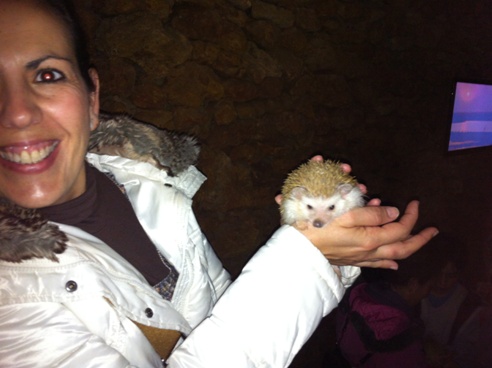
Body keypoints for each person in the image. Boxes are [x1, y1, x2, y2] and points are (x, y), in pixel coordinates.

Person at [0, 0, 438, 367]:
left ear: (92, 97)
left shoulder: (148, 186)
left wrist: (332, 254)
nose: (17, 113)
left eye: (47, 75)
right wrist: (305, 259)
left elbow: (226, 318)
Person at [334, 241, 444, 368]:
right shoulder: (404, 346)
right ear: (413, 285)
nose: (428, 293)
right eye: (429, 287)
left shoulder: (356, 296)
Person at [420, 236, 486, 368]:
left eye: (451, 275)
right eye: (438, 273)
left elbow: (472, 353)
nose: (442, 282)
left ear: (460, 273)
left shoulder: (470, 305)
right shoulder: (415, 294)